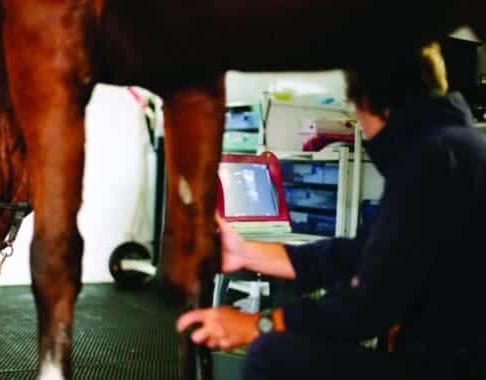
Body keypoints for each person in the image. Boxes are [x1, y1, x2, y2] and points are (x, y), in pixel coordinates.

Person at [177, 42, 486, 380]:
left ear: (369, 101)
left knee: (272, 354)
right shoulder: (453, 147)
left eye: (354, 108)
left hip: (452, 368)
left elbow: (368, 306)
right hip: (448, 358)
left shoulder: (434, 159)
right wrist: (249, 253)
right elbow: (360, 254)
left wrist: (259, 324)